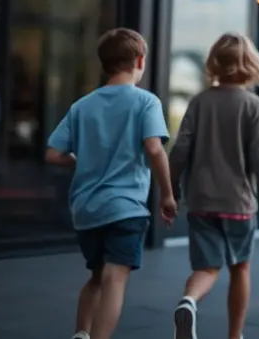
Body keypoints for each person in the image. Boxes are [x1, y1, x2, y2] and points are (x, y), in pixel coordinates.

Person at [45, 28, 176, 339]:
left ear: (105, 64)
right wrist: (167, 194)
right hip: (125, 208)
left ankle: (81, 333)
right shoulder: (146, 102)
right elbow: (155, 149)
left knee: (97, 276)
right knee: (115, 278)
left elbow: (52, 154)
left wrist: (77, 161)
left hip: (87, 209)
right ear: (140, 61)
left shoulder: (82, 105)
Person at [168, 32, 259, 339]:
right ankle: (235, 335)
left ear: (214, 64)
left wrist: (172, 190)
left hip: (201, 202)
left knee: (206, 268)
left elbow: (179, 150)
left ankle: (189, 302)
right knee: (240, 269)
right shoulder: (254, 105)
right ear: (250, 65)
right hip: (239, 205)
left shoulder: (199, 102)